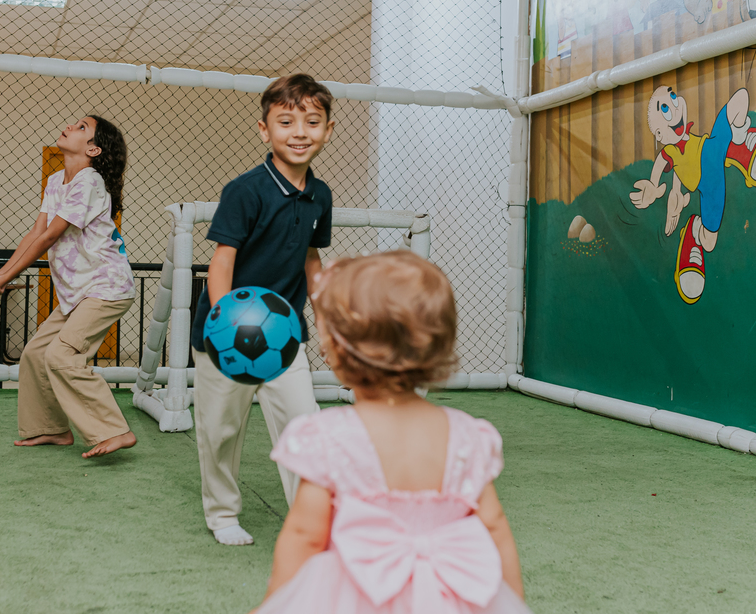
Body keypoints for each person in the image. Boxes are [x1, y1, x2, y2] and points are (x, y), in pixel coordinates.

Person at [254, 251, 530, 614]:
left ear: (337, 350)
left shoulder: (327, 437)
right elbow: (494, 529)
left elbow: (305, 537)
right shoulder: (468, 436)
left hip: (354, 595)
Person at [190, 73, 335, 546]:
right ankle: (223, 514)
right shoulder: (245, 190)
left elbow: (312, 261)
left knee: (303, 425)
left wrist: (327, 327)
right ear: (264, 129)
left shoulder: (321, 196)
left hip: (284, 336)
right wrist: (226, 324)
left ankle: (311, 519)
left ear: (327, 130)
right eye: (286, 121)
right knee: (221, 430)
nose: (299, 131)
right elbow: (222, 260)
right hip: (225, 334)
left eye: (312, 122)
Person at [0, 115, 137, 458]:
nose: (70, 126)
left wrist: (2, 277)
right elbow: (35, 233)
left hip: (106, 288)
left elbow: (49, 236)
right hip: (77, 294)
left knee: (62, 355)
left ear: (93, 148)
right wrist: (4, 274)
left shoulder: (89, 182)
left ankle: (115, 431)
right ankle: (50, 429)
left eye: (81, 127)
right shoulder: (57, 180)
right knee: (34, 354)